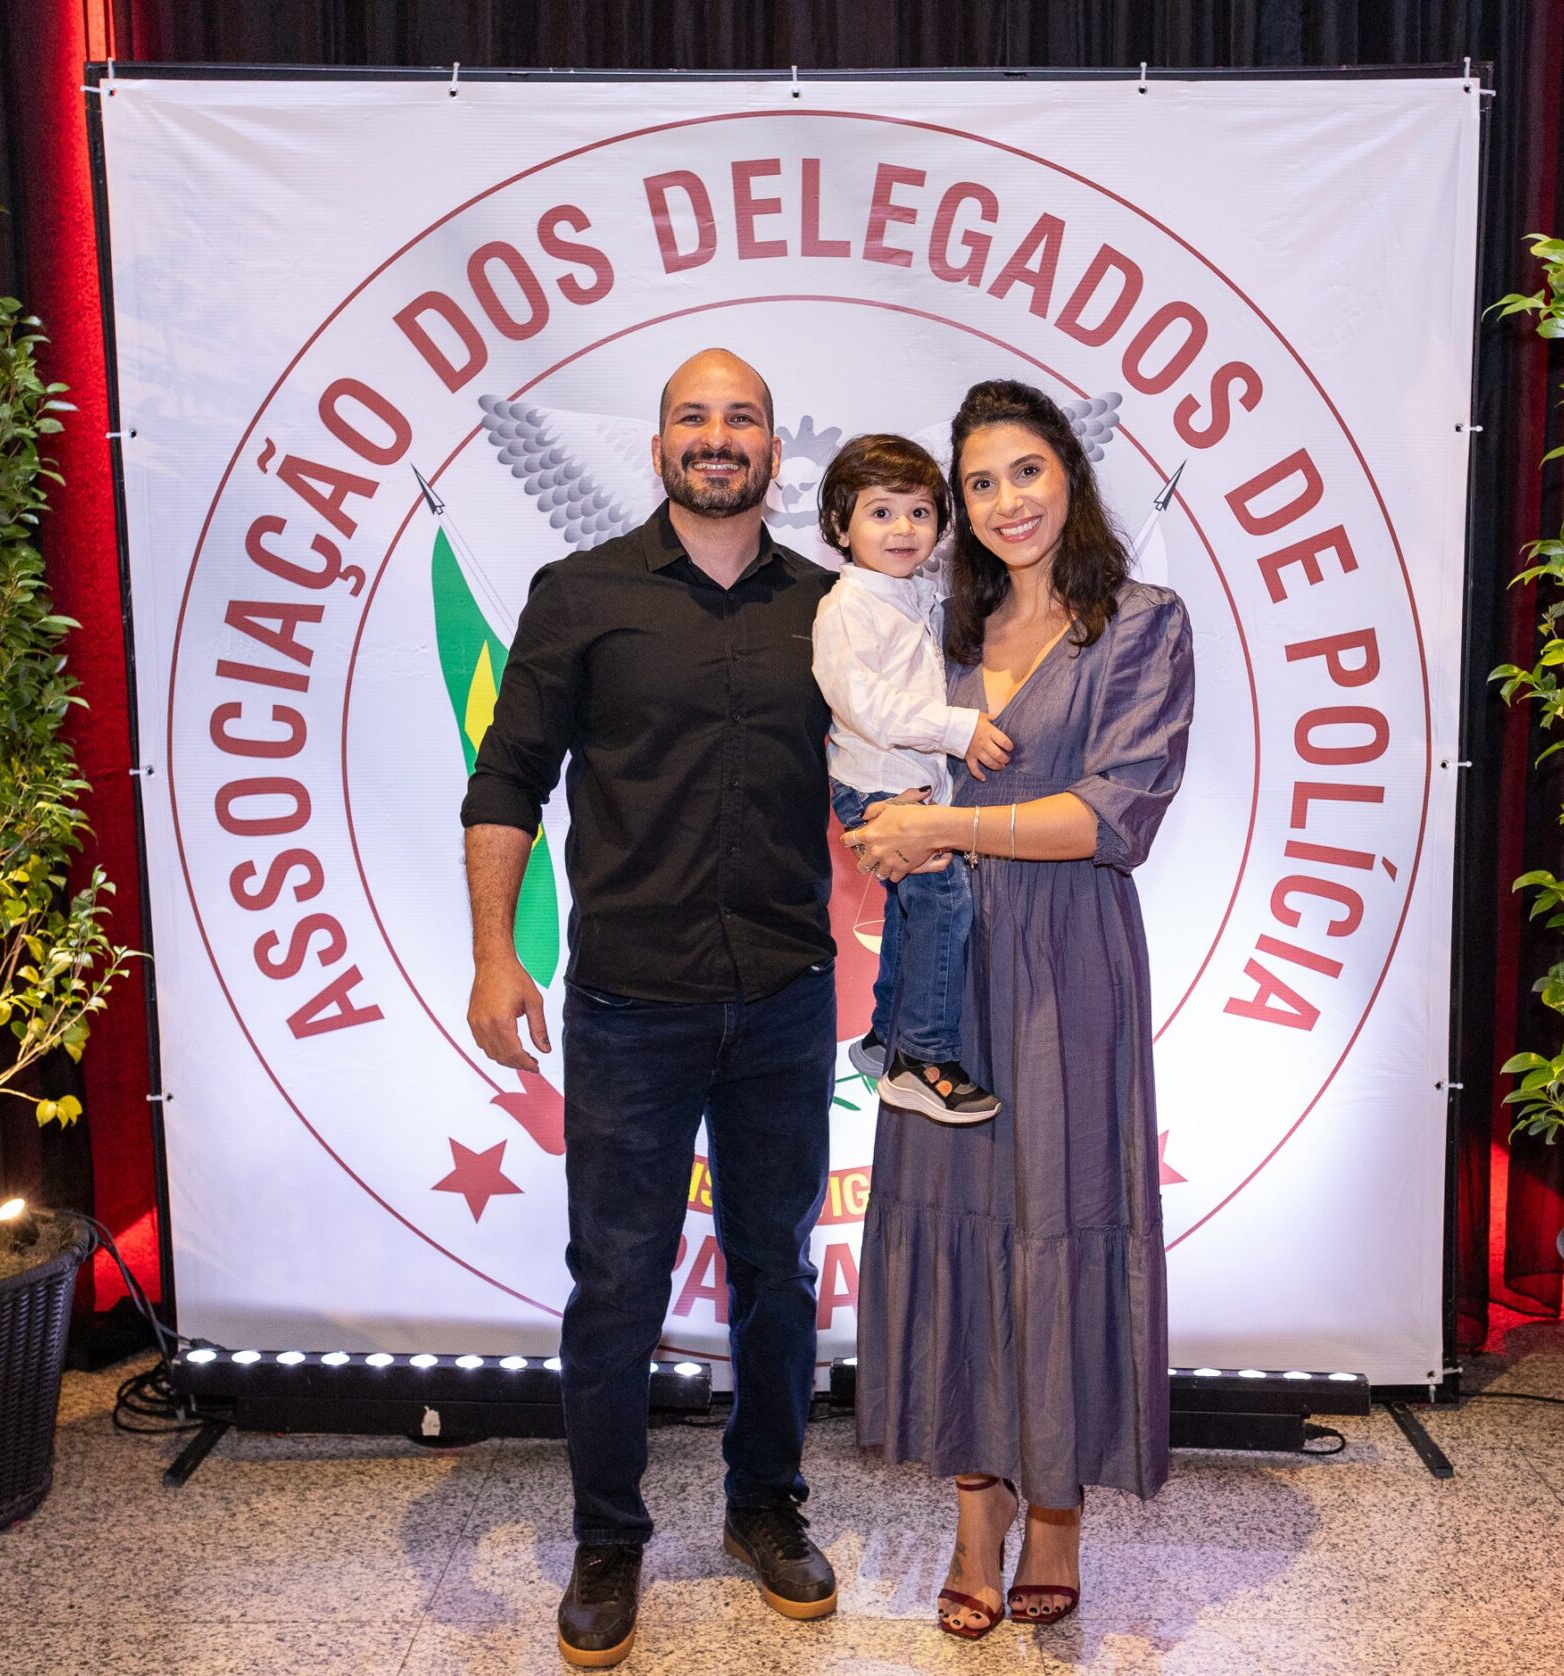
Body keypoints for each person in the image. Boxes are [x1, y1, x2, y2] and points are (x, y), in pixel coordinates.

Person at [461, 348, 841, 1669]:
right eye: (694, 416)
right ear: (661, 442)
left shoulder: (832, 608)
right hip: (630, 1005)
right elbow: (506, 779)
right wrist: (494, 955)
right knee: (617, 1279)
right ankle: (608, 1535)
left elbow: (887, 765)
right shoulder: (580, 594)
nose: (716, 436)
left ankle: (764, 1505)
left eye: (741, 418)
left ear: (774, 453)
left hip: (787, 999)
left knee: (777, 1272)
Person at [841, 379, 1194, 1640]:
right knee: (954, 1222)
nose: (1005, 502)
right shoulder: (933, 628)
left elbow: (1115, 814)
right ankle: (972, 1507)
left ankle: (1054, 1509)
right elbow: (872, 761)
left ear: (1069, 477)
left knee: (1057, 1217)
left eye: (1025, 471)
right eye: (979, 483)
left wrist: (942, 827)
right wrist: (885, 821)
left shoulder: (1139, 622)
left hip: (1066, 964)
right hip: (941, 968)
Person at [809, 432, 1015, 1123]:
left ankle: (883, 1036)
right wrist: (959, 729)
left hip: (909, 780)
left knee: (913, 912)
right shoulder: (847, 607)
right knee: (944, 902)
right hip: (875, 783)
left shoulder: (914, 594)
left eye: (920, 513)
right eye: (881, 513)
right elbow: (862, 704)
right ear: (840, 526)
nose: (903, 529)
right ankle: (923, 1058)